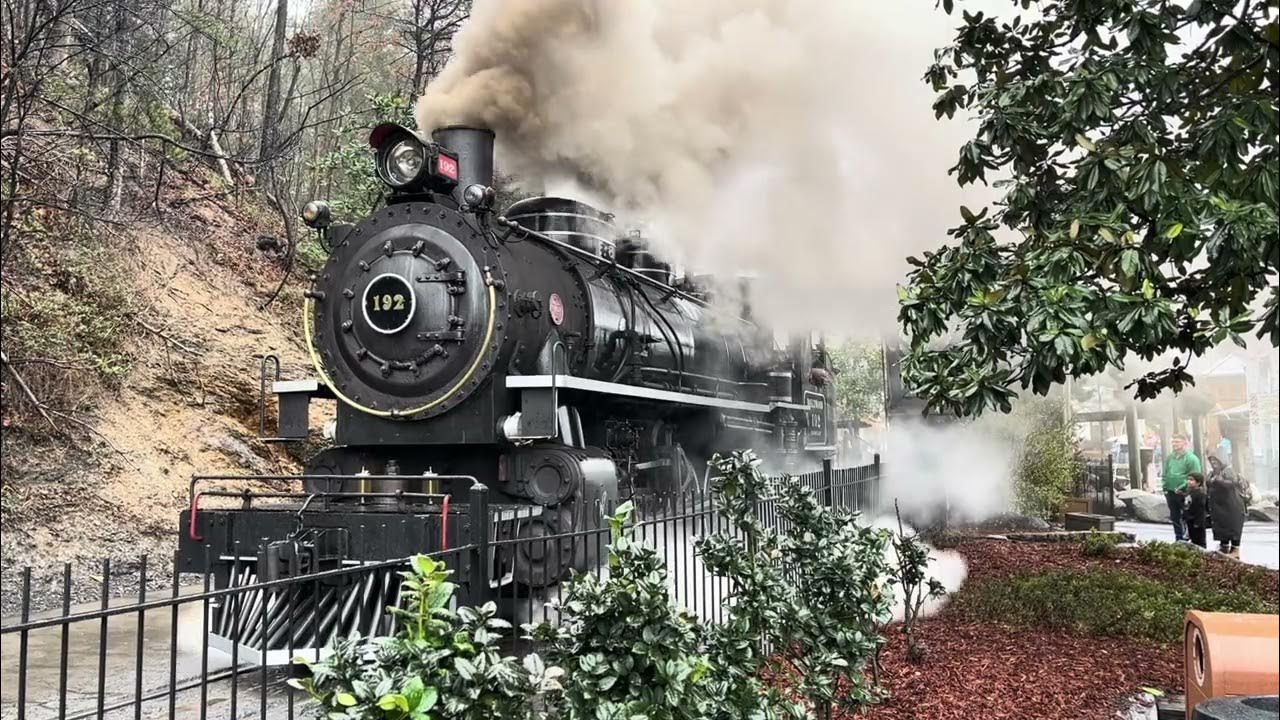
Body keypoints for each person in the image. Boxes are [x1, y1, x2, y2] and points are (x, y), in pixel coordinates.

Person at [1162, 433, 1201, 542]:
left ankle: (1190, 538)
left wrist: (1183, 487)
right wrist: (1164, 487)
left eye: (1177, 442)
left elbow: (1195, 476)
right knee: (1175, 517)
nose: (1174, 444)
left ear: (1185, 443)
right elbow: (1165, 473)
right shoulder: (1170, 458)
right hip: (1170, 491)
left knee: (1187, 516)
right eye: (1173, 442)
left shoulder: (1191, 459)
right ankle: (1178, 538)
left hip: (1185, 493)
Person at [1206, 455, 1247, 558]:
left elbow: (1231, 484)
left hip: (1232, 505)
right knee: (1222, 527)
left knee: (1233, 527)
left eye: (1215, 460)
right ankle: (1224, 546)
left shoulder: (1228, 471)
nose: (1213, 462)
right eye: (1211, 460)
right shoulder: (1213, 473)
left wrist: (1218, 481)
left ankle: (1235, 549)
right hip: (1219, 506)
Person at [1184, 473, 1208, 548]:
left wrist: (1198, 522)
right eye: (1188, 479)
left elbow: (1201, 509)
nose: (1188, 481)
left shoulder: (1200, 494)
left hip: (1197, 522)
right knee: (1193, 541)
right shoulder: (1189, 492)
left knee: (1200, 541)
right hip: (1190, 520)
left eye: (1191, 480)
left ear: (1198, 483)